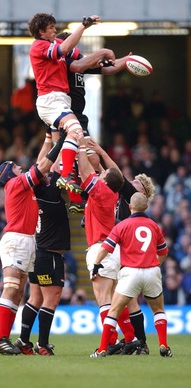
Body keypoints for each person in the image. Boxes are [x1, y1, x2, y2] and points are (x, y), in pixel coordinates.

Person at [0, 132, 65, 355]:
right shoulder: (15, 184)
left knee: (18, 291)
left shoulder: (23, 187)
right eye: (14, 166)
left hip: (25, 241)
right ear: (8, 173)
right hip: (16, 239)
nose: (20, 167)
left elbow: (39, 164)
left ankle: (7, 338)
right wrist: (61, 141)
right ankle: (0, 338)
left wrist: (47, 138)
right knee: (12, 288)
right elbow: (42, 167)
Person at [28, 12, 115, 194]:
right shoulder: (38, 46)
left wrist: (102, 61)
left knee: (75, 138)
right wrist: (83, 26)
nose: (54, 30)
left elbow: (81, 60)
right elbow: (63, 51)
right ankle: (65, 175)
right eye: (51, 27)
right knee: (75, 131)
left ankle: (71, 187)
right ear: (41, 31)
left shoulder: (56, 43)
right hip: (50, 100)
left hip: (61, 101)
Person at [88, 139, 155, 354]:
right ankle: (133, 340)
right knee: (125, 298)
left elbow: (114, 171)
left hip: (124, 252)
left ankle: (132, 341)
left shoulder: (129, 197)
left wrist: (100, 151)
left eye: (136, 182)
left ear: (143, 192)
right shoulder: (122, 196)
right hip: (119, 250)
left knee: (126, 299)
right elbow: (109, 174)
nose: (131, 182)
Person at [56, 30, 133, 213]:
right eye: (73, 44)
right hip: (68, 114)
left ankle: (82, 195)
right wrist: (103, 51)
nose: (76, 48)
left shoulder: (79, 60)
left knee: (88, 157)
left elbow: (108, 68)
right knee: (88, 157)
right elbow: (81, 65)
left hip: (79, 115)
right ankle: (79, 195)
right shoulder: (64, 62)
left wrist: (127, 60)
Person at [90, 192, 172, 358]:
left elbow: (106, 247)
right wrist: (155, 263)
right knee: (158, 310)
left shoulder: (122, 225)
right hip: (152, 271)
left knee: (113, 311)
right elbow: (164, 252)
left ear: (130, 207)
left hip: (130, 272)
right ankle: (163, 345)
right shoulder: (154, 226)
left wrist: (96, 264)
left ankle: (103, 349)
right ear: (147, 207)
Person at [77, 133, 138, 355]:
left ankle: (110, 342)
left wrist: (80, 147)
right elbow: (115, 175)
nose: (99, 173)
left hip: (101, 248)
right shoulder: (112, 191)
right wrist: (101, 153)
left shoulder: (102, 191)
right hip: (112, 250)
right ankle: (130, 338)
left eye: (102, 174)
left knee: (104, 300)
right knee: (112, 298)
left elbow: (84, 173)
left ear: (103, 180)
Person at [14, 137, 71, 356]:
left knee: (35, 298)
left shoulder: (38, 194)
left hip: (39, 253)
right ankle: (42, 343)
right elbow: (48, 164)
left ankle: (23, 339)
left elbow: (44, 165)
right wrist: (60, 140)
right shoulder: (50, 193)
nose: (47, 173)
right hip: (50, 255)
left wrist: (49, 137)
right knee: (51, 298)